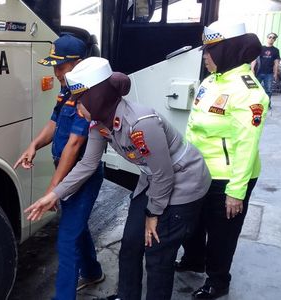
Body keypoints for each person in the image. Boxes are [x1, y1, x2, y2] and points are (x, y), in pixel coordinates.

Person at [26, 57, 211, 300]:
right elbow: (87, 164)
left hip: (183, 181)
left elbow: (164, 174)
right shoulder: (99, 123)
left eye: (79, 101)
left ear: (96, 98)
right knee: (130, 246)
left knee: (157, 254)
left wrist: (153, 214)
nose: (75, 107)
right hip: (152, 180)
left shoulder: (140, 124)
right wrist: (53, 195)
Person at [175, 21, 269, 299]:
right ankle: (193, 259)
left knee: (222, 234)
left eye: (211, 50)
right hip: (198, 171)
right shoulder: (210, 81)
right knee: (192, 224)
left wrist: (236, 192)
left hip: (228, 177)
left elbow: (246, 146)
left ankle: (218, 281)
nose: (205, 56)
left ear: (228, 50)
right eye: (205, 50)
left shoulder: (248, 91)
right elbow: (193, 129)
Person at [14, 34, 105, 300]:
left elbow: (75, 144)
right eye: (54, 67)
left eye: (61, 67)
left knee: (66, 240)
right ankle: (92, 272)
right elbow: (54, 123)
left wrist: (53, 190)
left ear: (78, 64)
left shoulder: (88, 96)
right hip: (64, 171)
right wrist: (34, 145)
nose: (56, 73)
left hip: (80, 176)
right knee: (76, 226)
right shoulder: (67, 90)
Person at [251, 32, 280, 107]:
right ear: (267, 38)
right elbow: (254, 59)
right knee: (254, 89)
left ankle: (267, 104)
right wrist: (252, 69)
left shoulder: (276, 50)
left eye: (273, 38)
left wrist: (275, 74)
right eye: (270, 37)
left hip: (269, 74)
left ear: (275, 40)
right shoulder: (261, 48)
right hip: (259, 72)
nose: (271, 39)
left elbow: (276, 63)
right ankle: (253, 104)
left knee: (268, 90)